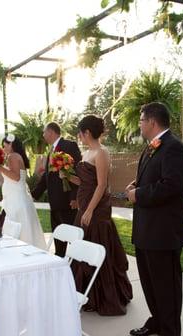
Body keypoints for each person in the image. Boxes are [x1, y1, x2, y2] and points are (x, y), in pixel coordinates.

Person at [124, 102, 183, 336]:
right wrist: (136, 185)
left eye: (141, 120)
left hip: (164, 233)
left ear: (152, 122)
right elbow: (154, 179)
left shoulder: (173, 148)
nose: (139, 125)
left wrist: (139, 194)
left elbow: (173, 186)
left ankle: (171, 335)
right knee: (150, 283)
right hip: (146, 231)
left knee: (167, 286)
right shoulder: (151, 148)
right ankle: (157, 321)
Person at [67, 115, 132, 316]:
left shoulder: (101, 153)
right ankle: (86, 293)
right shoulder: (87, 153)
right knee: (82, 247)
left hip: (96, 209)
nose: (79, 136)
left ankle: (102, 296)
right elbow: (84, 182)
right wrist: (66, 175)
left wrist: (89, 210)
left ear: (86, 132)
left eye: (80, 132)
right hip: (85, 205)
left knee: (96, 244)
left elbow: (102, 185)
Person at [31, 122, 82, 257]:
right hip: (54, 203)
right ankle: (60, 263)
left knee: (72, 237)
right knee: (58, 237)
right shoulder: (50, 152)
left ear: (52, 132)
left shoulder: (69, 146)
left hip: (67, 202)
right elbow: (47, 178)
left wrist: (74, 197)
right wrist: (34, 194)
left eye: (44, 132)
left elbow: (77, 171)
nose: (43, 135)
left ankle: (78, 267)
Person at [0, 133, 47, 250]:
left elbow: (16, 177)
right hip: (17, 198)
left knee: (17, 229)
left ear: (11, 145)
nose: (4, 149)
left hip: (16, 202)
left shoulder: (13, 156)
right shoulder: (18, 156)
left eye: (5, 146)